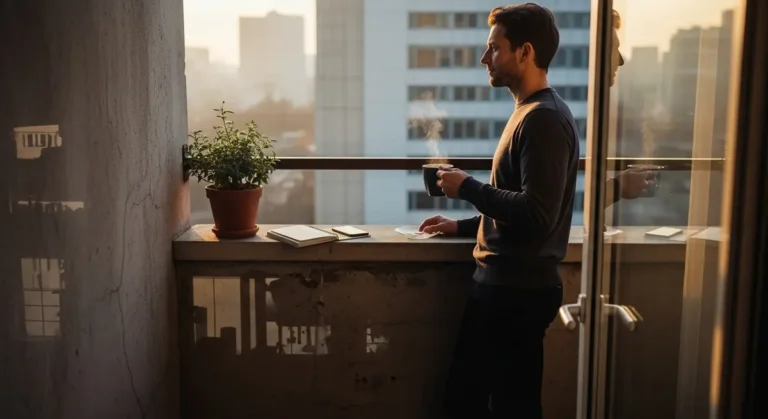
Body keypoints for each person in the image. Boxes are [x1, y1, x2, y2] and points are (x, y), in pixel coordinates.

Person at [419, 4, 579, 418]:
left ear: (524, 52)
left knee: (492, 404)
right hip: (507, 287)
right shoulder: (529, 113)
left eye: (494, 48)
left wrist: (467, 188)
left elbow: (538, 213)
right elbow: (521, 209)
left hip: (514, 293)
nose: (484, 58)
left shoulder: (543, 120)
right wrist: (462, 226)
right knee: (494, 401)